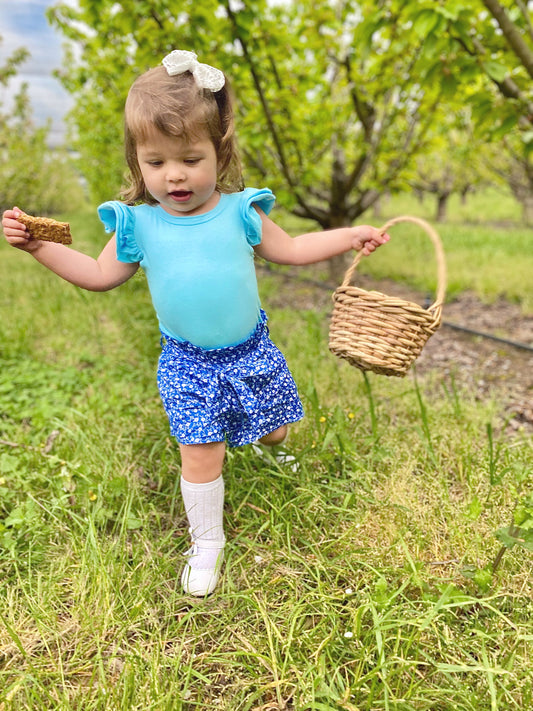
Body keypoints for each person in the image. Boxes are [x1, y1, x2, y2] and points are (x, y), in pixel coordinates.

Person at [2, 50, 390, 596]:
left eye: (190, 158)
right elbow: (95, 273)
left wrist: (350, 235)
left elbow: (297, 247)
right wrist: (38, 247)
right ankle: (207, 540)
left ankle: (272, 448)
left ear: (219, 152)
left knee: (272, 425)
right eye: (156, 162)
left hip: (250, 351)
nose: (175, 175)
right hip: (189, 362)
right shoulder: (138, 223)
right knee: (201, 451)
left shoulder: (241, 211)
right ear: (138, 161)